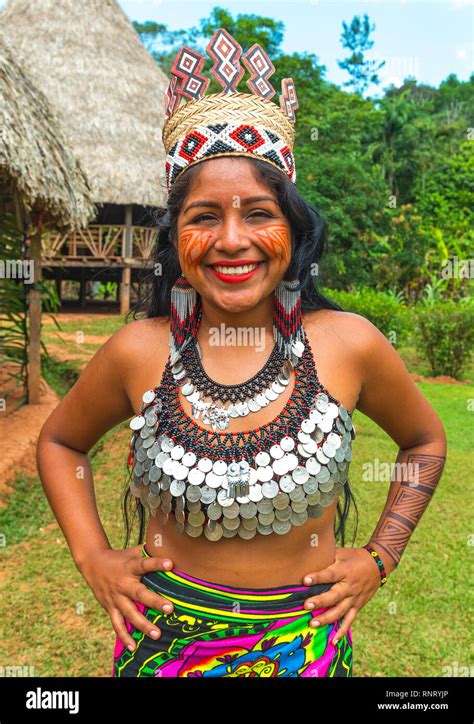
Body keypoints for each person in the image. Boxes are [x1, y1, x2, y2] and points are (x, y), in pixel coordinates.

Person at [37, 28, 447, 678]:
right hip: (162, 649)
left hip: (306, 650)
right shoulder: (135, 353)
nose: (233, 240)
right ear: (176, 238)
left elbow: (425, 441)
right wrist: (94, 558)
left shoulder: (351, 344)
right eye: (204, 217)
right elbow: (60, 444)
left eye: (258, 213)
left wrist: (379, 556)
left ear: (293, 228)